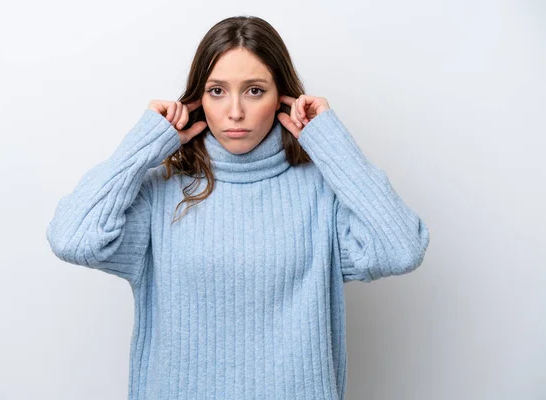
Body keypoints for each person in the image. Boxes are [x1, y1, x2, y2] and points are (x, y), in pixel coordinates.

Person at [46, 15, 430, 400]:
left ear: (283, 96)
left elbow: (400, 250)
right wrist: (142, 146)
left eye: (254, 90)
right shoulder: (160, 193)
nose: (234, 112)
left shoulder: (322, 195)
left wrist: (329, 142)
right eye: (217, 91)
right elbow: (72, 240)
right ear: (198, 98)